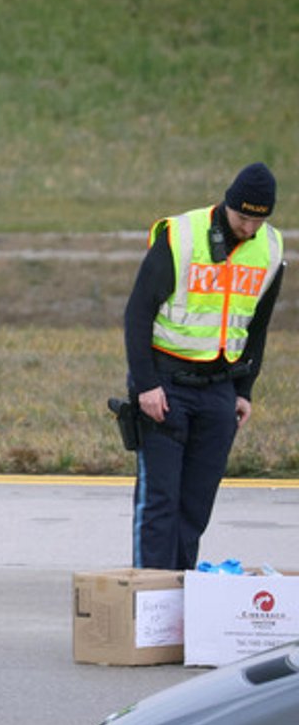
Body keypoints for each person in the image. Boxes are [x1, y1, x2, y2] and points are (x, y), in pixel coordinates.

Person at [124, 163, 284, 571]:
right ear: (227, 205)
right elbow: (138, 312)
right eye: (242, 217)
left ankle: (181, 601)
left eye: (258, 219)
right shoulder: (181, 236)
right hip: (166, 383)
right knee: (160, 503)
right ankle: (151, 605)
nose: (248, 227)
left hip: (220, 388)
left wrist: (245, 390)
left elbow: (257, 326)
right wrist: (145, 384)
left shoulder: (270, 248)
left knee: (195, 507)